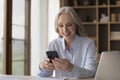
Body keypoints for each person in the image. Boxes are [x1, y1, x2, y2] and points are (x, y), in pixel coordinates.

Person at [38, 6, 98, 78]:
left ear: (76, 24)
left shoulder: (88, 44)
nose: (65, 30)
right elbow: (43, 76)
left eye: (69, 25)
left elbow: (92, 73)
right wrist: (42, 66)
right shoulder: (53, 45)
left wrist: (71, 68)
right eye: (61, 26)